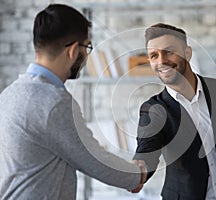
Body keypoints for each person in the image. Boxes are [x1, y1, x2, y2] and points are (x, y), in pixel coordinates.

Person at [0, 4, 146, 199]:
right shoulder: (53, 103)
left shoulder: (10, 93)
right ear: (73, 50)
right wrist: (137, 175)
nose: (86, 55)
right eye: (87, 47)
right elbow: (94, 160)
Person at [133, 23, 216, 200]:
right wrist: (137, 172)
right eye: (154, 56)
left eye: (169, 51)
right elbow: (147, 151)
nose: (161, 61)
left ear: (187, 53)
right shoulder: (153, 109)